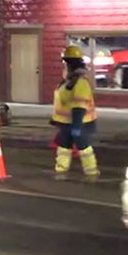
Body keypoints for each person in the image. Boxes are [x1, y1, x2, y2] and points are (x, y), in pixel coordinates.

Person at [51, 45, 99, 181]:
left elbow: (79, 106)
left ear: (70, 64)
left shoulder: (80, 83)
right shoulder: (68, 82)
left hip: (81, 124)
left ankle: (91, 174)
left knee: (84, 150)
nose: (63, 67)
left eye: (65, 63)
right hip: (67, 124)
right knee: (63, 148)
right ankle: (61, 172)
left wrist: (77, 126)